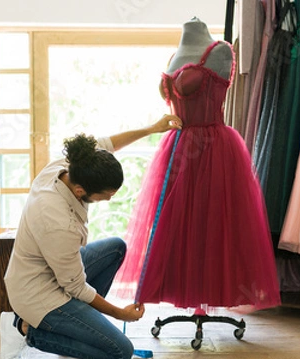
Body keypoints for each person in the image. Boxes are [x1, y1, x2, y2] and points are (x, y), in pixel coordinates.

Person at [113, 18, 281, 312]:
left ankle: (211, 295)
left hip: (212, 150)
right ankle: (185, 294)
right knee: (177, 228)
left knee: (212, 226)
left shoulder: (221, 52)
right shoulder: (174, 55)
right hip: (176, 149)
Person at [1, 113, 182, 359]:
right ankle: (24, 328)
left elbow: (108, 144)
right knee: (120, 353)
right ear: (80, 191)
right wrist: (121, 314)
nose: (110, 199)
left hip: (56, 272)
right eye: (106, 195)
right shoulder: (56, 221)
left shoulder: (73, 165)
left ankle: (79, 329)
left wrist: (153, 128)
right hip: (39, 292)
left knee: (115, 247)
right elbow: (77, 287)